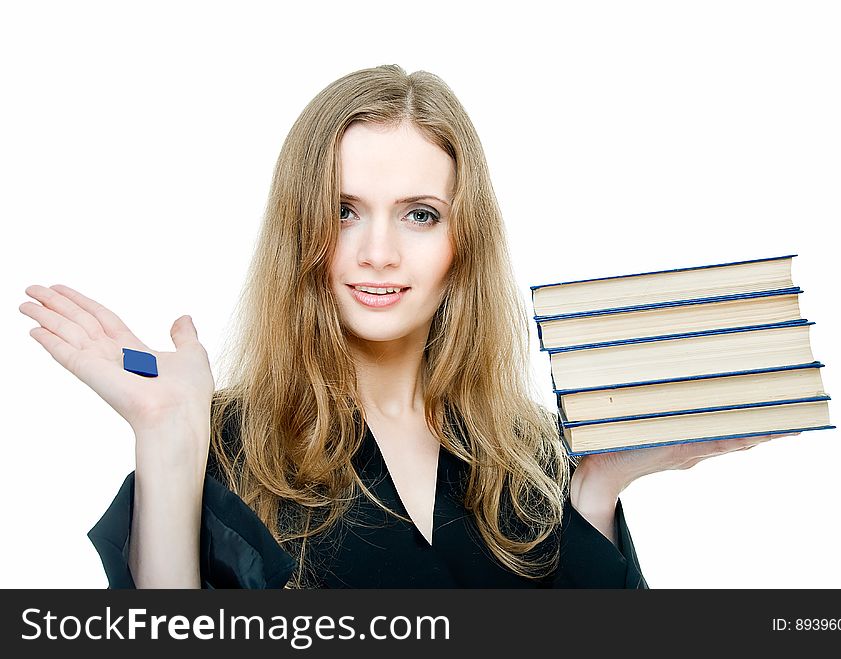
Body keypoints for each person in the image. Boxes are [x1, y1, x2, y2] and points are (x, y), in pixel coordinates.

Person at [19, 64, 798, 589]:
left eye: (419, 215)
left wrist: (595, 491)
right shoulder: (225, 443)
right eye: (343, 210)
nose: (378, 253)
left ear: (464, 242)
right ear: (301, 231)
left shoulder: (526, 453)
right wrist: (166, 436)